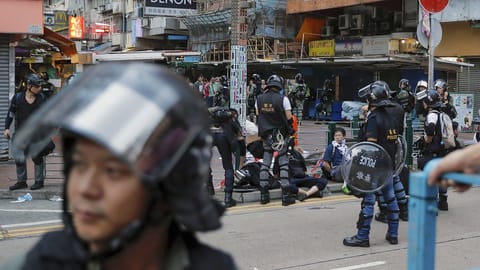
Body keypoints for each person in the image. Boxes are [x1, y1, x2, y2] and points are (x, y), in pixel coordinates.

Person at [2, 63, 237, 269]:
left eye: (112, 171)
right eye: (80, 166)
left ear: (170, 185)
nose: (85, 188)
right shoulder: (41, 263)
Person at [343, 81, 400, 247]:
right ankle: (393, 234)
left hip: (374, 168)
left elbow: (370, 145)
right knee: (391, 199)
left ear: (371, 99)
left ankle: (362, 236)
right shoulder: (390, 117)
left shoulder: (374, 118)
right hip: (387, 166)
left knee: (368, 201)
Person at [256, 74, 295, 206]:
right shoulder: (283, 99)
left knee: (265, 163)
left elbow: (258, 115)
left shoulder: (259, 98)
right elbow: (289, 117)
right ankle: (285, 195)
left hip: (266, 135)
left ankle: (263, 195)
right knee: (283, 163)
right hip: (280, 136)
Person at [5, 73, 48, 191]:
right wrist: (7, 128)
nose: (39, 88)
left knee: (37, 156)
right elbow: (11, 113)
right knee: (19, 158)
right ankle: (21, 181)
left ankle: (39, 181)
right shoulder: (18, 98)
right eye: (37, 86)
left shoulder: (42, 98)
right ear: (29, 86)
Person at [417, 89, 451, 211]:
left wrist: (426, 141)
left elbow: (430, 130)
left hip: (433, 151)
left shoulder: (432, 115)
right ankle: (443, 202)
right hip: (443, 150)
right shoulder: (442, 114)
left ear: (427, 102)